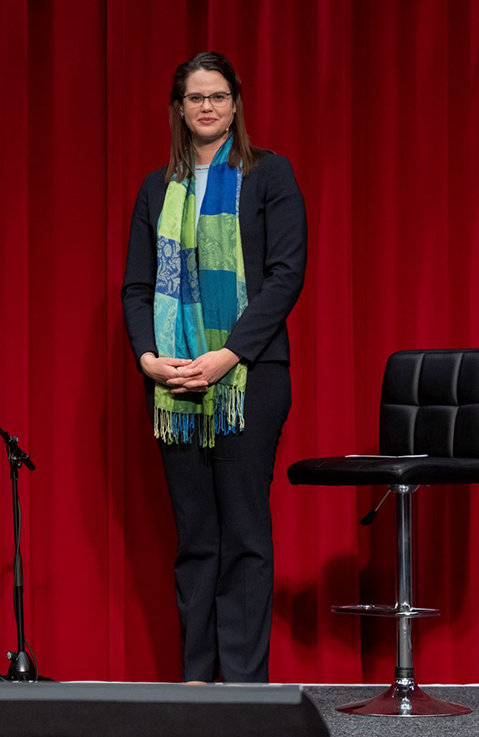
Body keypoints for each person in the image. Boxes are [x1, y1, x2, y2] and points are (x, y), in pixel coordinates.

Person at [121, 52, 306, 683]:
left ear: (235, 105)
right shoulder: (157, 188)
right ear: (179, 108)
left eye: (218, 96)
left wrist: (227, 356)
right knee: (197, 535)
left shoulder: (269, 174)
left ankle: (245, 686)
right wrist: (150, 360)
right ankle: (199, 680)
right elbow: (137, 288)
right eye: (195, 97)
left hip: (249, 377)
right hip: (174, 382)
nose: (207, 106)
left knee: (245, 533)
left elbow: (285, 277)